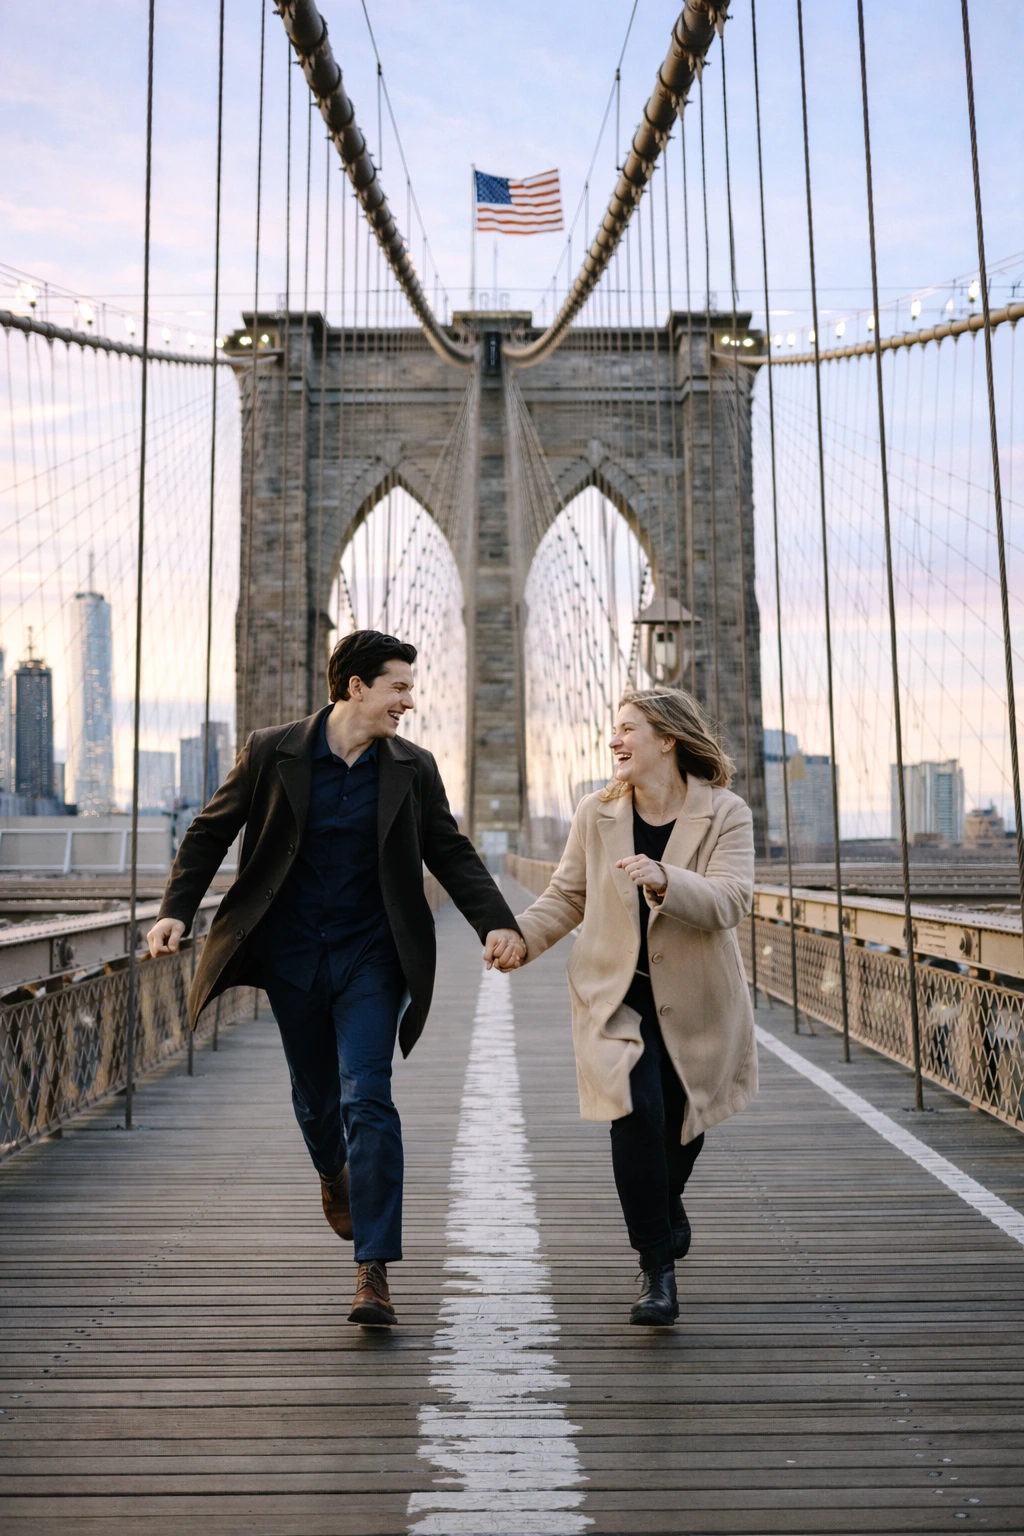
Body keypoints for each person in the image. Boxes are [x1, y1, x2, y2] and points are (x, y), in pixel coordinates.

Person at [148, 630, 524, 1328]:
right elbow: (209, 831)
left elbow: (450, 850)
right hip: (291, 953)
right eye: (399, 688)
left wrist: (497, 922)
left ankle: (373, 1272)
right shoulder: (272, 750)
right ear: (355, 687)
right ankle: (332, 1173)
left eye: (411, 688)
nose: (409, 702)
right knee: (319, 1104)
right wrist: (173, 912)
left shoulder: (413, 767)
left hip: (372, 957)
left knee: (368, 1096)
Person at [500, 688, 757, 1327]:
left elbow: (732, 900)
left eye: (626, 730)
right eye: (613, 730)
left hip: (698, 998)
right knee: (634, 1113)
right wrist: (520, 937)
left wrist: (666, 879)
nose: (614, 741)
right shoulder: (598, 810)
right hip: (617, 995)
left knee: (682, 1127)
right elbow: (566, 895)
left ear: (666, 739)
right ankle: (656, 1270)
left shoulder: (725, 812)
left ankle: (666, 1209)